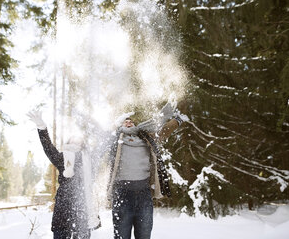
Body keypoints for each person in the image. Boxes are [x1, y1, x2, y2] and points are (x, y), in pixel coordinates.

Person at [106, 102, 184, 239]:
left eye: (131, 121)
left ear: (136, 125)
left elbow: (162, 131)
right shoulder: (116, 138)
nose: (128, 123)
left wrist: (177, 121)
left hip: (143, 195)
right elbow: (106, 133)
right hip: (122, 194)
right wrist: (116, 124)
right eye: (125, 121)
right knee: (121, 236)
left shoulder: (145, 137)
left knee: (144, 235)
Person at [27, 110, 100, 239]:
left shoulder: (89, 159)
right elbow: (48, 148)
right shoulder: (62, 158)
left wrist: (96, 123)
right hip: (63, 211)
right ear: (68, 141)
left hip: (82, 211)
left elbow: (102, 144)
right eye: (73, 138)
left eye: (79, 139)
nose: (76, 140)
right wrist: (42, 128)